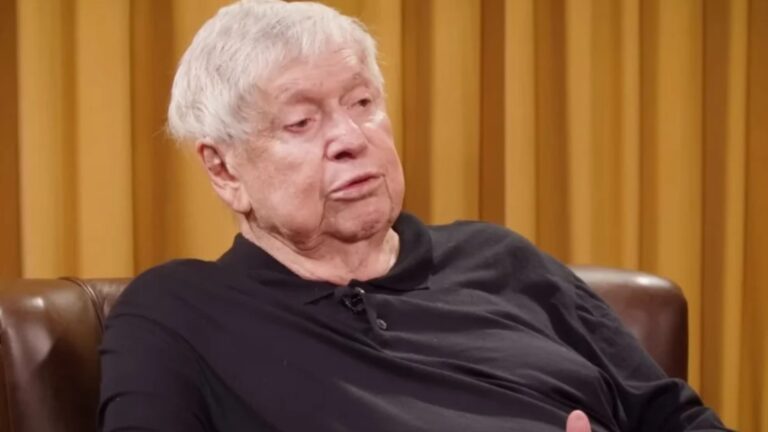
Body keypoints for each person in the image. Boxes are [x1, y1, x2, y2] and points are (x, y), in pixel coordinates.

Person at [98, 1, 728, 431]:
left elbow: (675, 418)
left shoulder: (501, 260)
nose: (351, 138)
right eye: (302, 121)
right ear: (224, 170)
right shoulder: (178, 317)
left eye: (362, 102)